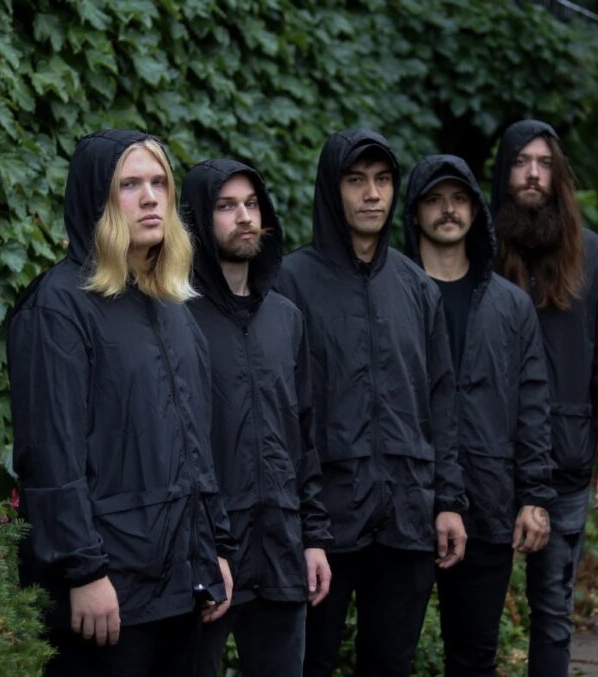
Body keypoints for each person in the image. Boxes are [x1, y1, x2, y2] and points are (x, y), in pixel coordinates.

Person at [8, 130, 236, 677]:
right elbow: (50, 455)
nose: (151, 197)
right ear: (96, 199)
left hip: (184, 586)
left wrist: (216, 549)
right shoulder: (58, 307)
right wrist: (81, 573)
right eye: (129, 185)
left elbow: (195, 447)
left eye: (159, 182)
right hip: (108, 597)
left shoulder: (173, 307)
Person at [273, 129, 468, 677]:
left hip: (406, 516)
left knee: (391, 663)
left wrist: (448, 501)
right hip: (324, 521)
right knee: (310, 662)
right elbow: (283, 413)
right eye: (356, 181)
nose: (372, 195)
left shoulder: (416, 287)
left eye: (383, 181)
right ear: (332, 190)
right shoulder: (290, 283)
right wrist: (301, 520)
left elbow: (442, 404)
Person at [491, 120, 598, 676]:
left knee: (552, 611)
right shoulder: (478, 249)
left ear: (558, 175)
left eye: (545, 163)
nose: (532, 174)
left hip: (566, 457)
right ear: (504, 172)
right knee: (475, 611)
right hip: (485, 458)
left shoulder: (591, 254)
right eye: (521, 162)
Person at [402, 154, 555, 676]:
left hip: (489, 500)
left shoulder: (511, 306)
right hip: (407, 504)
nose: (448, 210)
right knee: (391, 654)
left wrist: (534, 494)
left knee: (474, 657)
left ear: (476, 210)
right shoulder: (394, 297)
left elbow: (533, 402)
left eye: (460, 198)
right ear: (415, 212)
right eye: (435, 199)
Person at [180, 159, 334, 677]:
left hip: (280, 548)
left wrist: (313, 538)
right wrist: (203, 549)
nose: (244, 217)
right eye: (226, 206)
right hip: (205, 558)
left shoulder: (286, 319)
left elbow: (304, 437)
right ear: (200, 218)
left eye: (252, 205)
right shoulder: (177, 319)